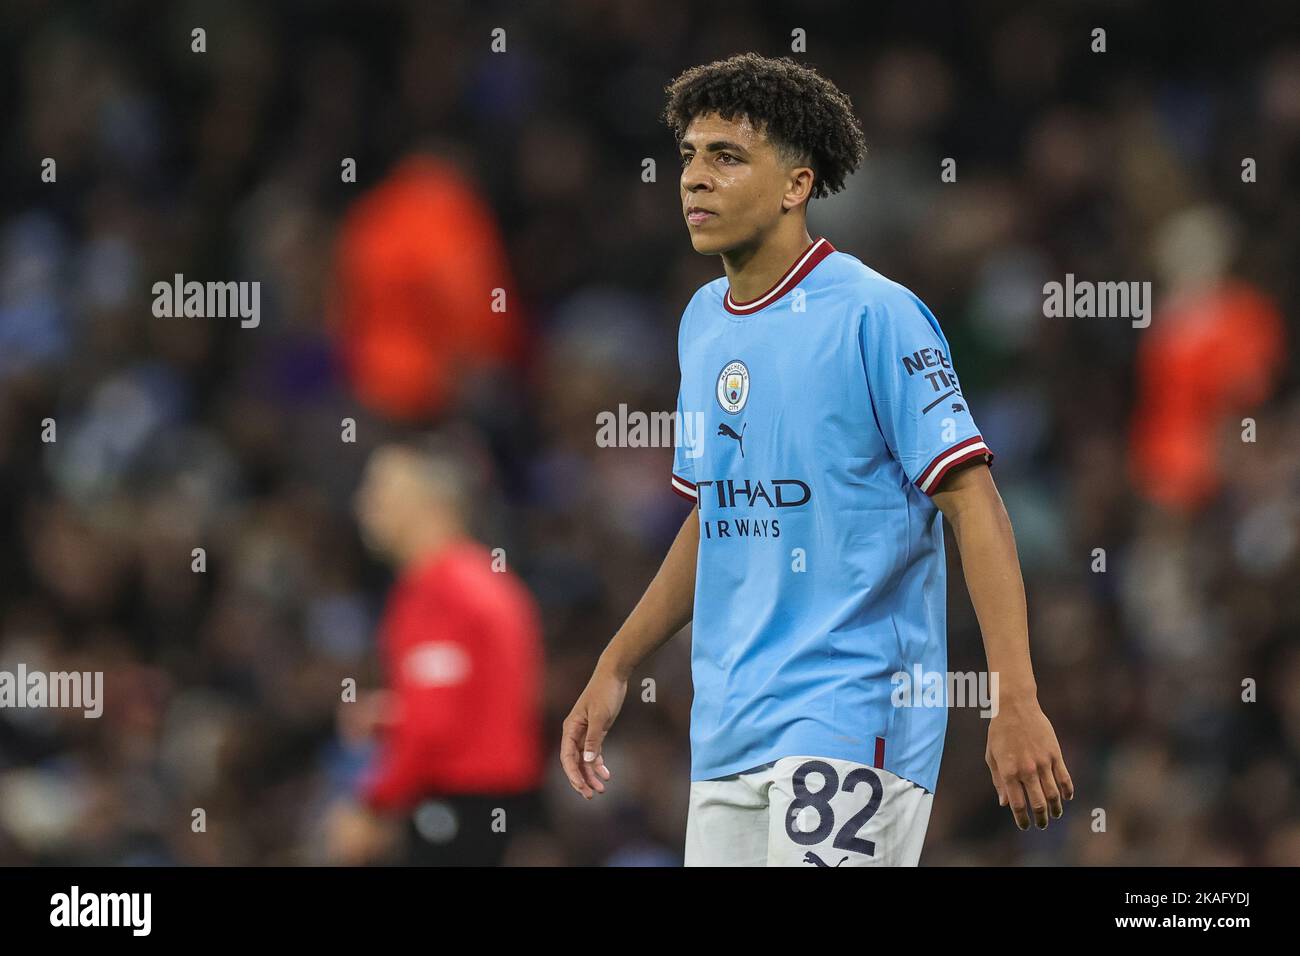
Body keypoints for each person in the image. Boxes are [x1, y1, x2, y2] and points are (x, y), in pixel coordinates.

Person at [561, 53, 1073, 866]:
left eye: (726, 157)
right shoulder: (702, 322)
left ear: (796, 185)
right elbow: (719, 513)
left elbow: (973, 502)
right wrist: (616, 664)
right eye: (688, 156)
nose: (694, 178)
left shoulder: (878, 314)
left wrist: (1015, 698)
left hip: (853, 700)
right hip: (728, 721)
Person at [330, 435, 544, 866]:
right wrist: (395, 715)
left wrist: (371, 804)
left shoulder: (442, 592)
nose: (363, 505)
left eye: (379, 490)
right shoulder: (483, 578)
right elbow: (467, 705)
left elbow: (434, 726)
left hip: (457, 812)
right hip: (494, 810)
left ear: (428, 502)